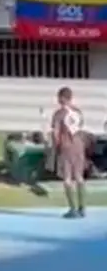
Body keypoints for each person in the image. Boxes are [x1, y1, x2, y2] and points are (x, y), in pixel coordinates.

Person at [51, 86, 87, 218]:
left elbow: (56, 132)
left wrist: (56, 146)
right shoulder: (78, 112)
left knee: (67, 178)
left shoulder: (59, 114)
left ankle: (73, 209)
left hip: (66, 146)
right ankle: (82, 207)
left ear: (62, 98)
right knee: (79, 176)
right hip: (79, 145)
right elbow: (80, 126)